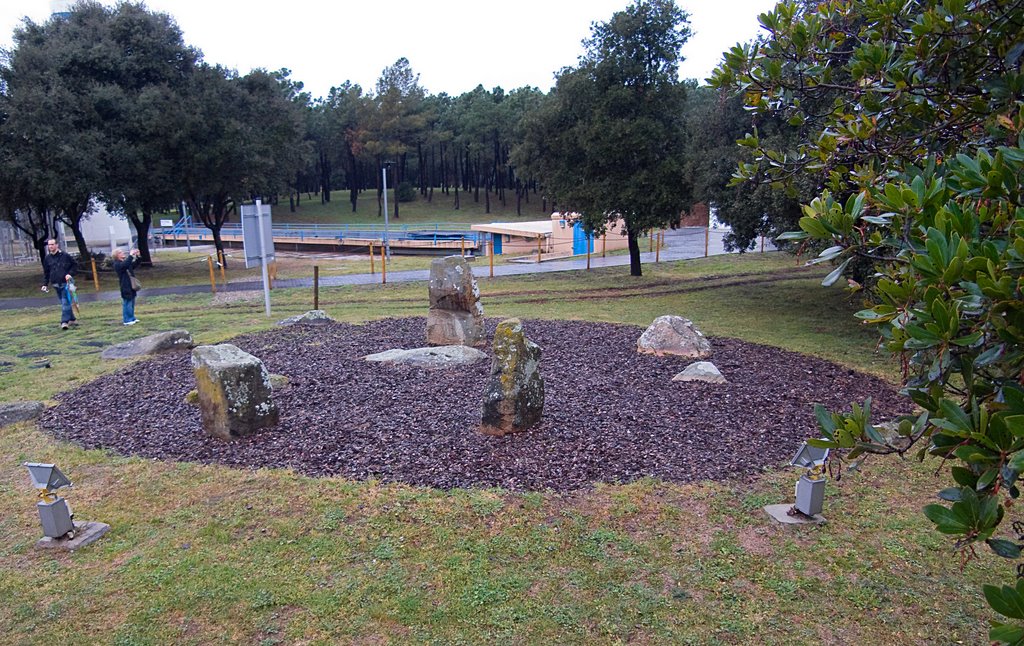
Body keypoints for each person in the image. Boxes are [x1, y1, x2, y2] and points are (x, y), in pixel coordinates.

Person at [40, 238, 78, 330]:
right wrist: (45, 284)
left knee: (65, 302)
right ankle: (72, 319)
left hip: (66, 283)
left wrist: (70, 274)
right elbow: (46, 272)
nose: (51, 246)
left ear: (57, 245)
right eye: (49, 245)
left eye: (52, 244)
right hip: (55, 284)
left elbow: (75, 265)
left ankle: (64, 322)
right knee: (65, 302)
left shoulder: (65, 256)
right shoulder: (47, 258)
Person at [112, 247, 142, 326]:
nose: (123, 253)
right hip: (125, 286)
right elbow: (124, 265)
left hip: (131, 285)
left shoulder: (125, 262)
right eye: (120, 252)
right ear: (117, 255)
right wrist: (131, 255)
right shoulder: (117, 264)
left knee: (132, 302)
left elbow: (133, 265)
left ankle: (132, 317)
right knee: (127, 302)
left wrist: (138, 256)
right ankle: (127, 320)